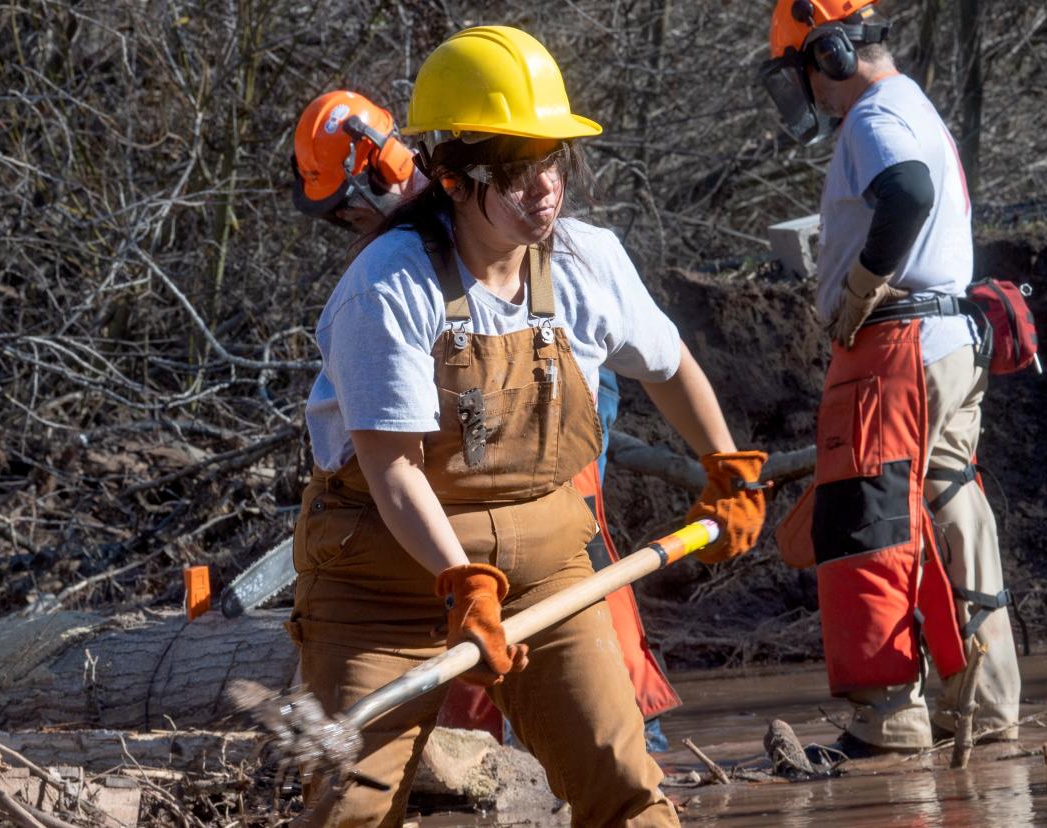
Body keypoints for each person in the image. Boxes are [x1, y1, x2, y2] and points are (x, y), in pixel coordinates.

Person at [288, 25, 767, 826]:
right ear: (450, 174)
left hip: (545, 567)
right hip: (384, 580)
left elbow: (671, 362)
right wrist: (461, 582)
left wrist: (725, 466)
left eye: (553, 161)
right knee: (354, 809)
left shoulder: (586, 262)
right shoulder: (386, 290)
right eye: (514, 171)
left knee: (623, 783)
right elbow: (395, 471)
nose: (542, 188)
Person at [291, 90, 677, 752]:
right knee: (473, 568)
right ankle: (487, 745)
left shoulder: (500, 226)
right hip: (438, 511)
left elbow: (666, 363)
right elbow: (393, 463)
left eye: (348, 204)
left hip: (542, 429)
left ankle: (625, 728)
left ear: (380, 172)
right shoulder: (390, 271)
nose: (349, 220)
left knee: (566, 538)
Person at [763, 0, 1020, 756]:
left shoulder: (876, 117)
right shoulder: (915, 108)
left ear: (832, 53)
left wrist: (863, 283)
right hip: (947, 338)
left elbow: (906, 192)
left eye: (805, 69)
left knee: (866, 518)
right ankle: (983, 700)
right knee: (949, 507)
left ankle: (889, 717)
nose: (809, 90)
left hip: (895, 348)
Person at [292, 90, 423, 234]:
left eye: (346, 201)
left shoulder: (447, 202)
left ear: (391, 161)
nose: (341, 215)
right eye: (333, 207)